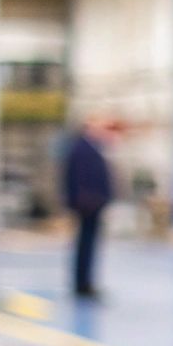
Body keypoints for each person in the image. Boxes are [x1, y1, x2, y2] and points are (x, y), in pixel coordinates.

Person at [61, 118, 115, 299]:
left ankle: (85, 282)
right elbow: (80, 178)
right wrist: (87, 199)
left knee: (88, 244)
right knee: (85, 244)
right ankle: (82, 284)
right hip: (88, 205)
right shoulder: (83, 149)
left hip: (91, 204)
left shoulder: (88, 148)